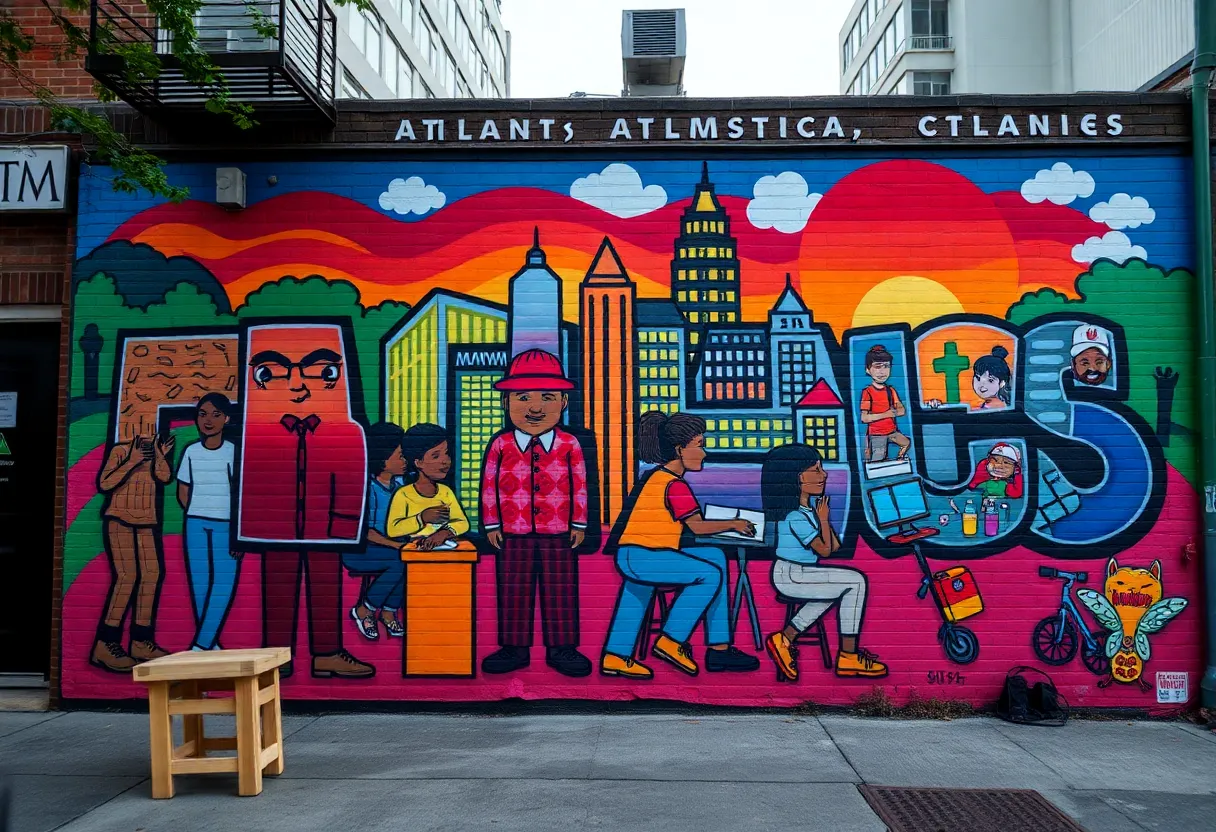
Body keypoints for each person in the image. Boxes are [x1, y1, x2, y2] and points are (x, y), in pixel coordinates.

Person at [238, 324, 373, 679]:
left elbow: (350, 484)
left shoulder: (346, 433)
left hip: (324, 532)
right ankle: (275, 657)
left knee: (326, 589)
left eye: (323, 373)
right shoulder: (255, 435)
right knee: (277, 592)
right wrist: (247, 534)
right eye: (272, 374)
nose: (297, 385)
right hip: (275, 533)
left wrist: (343, 528)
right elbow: (250, 486)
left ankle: (327, 652)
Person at [600, 411, 761, 679]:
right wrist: (734, 524)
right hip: (646, 557)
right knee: (710, 574)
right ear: (679, 449)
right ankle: (671, 639)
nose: (705, 453)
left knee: (714, 557)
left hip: (635, 555)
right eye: (700, 444)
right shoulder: (674, 485)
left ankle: (617, 656)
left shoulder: (656, 477)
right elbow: (697, 526)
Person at [480, 349, 592, 678]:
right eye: (523, 396)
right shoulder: (500, 444)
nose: (535, 407)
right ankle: (514, 648)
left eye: (547, 397)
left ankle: (563, 648)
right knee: (513, 588)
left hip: (558, 531)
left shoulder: (569, 443)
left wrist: (578, 522)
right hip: (513, 531)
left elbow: (580, 484)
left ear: (564, 402)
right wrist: (491, 523)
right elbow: (489, 485)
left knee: (561, 588)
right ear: (506, 402)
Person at [761, 444, 888, 680]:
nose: (825, 474)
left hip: (801, 573)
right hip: (790, 574)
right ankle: (848, 656)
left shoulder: (808, 510)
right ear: (797, 477)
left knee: (837, 590)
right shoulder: (795, 516)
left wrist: (823, 521)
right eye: (816, 469)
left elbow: (834, 547)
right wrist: (823, 519)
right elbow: (825, 550)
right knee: (856, 582)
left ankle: (785, 638)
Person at [91, 430, 174, 671]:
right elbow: (105, 483)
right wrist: (132, 460)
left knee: (152, 575)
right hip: (120, 519)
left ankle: (140, 640)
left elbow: (165, 477)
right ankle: (105, 643)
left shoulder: (154, 453)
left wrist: (160, 455)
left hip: (146, 520)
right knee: (127, 577)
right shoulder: (120, 450)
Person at [176, 393, 238, 652]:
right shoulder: (191, 451)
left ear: (226, 418)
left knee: (222, 583)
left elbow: (239, 491)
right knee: (200, 584)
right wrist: (195, 509)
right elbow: (183, 489)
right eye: (202, 414)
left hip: (226, 524)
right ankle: (208, 643)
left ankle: (202, 643)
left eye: (215, 415)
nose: (208, 420)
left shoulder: (233, 452)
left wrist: (237, 530)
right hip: (196, 523)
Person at [343, 422, 409, 641]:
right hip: (361, 550)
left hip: (390, 547)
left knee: (408, 559)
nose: (405, 460)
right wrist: (397, 545)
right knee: (400, 559)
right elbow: (366, 532)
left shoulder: (400, 487)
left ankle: (389, 610)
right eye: (400, 454)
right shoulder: (368, 487)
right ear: (383, 457)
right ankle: (365, 609)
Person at [387, 423, 470, 553]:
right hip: (415, 552)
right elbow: (393, 530)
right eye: (436, 456)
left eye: (447, 453)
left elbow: (462, 522)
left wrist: (444, 533)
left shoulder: (445, 492)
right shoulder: (404, 494)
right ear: (418, 462)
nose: (445, 461)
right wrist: (422, 518)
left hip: (445, 550)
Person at [859, 345, 910, 463]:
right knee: (878, 460)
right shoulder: (868, 392)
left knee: (906, 443)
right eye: (877, 367)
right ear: (868, 369)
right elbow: (865, 418)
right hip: (877, 434)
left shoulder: (890, 390)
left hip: (891, 431)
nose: (882, 371)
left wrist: (896, 411)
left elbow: (901, 410)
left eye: (886, 366)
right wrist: (887, 414)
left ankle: (899, 459)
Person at [926, 345, 1012, 411]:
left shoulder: (1000, 408)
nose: (982, 385)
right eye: (978, 378)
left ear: (1002, 383)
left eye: (990, 380)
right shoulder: (984, 406)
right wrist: (939, 407)